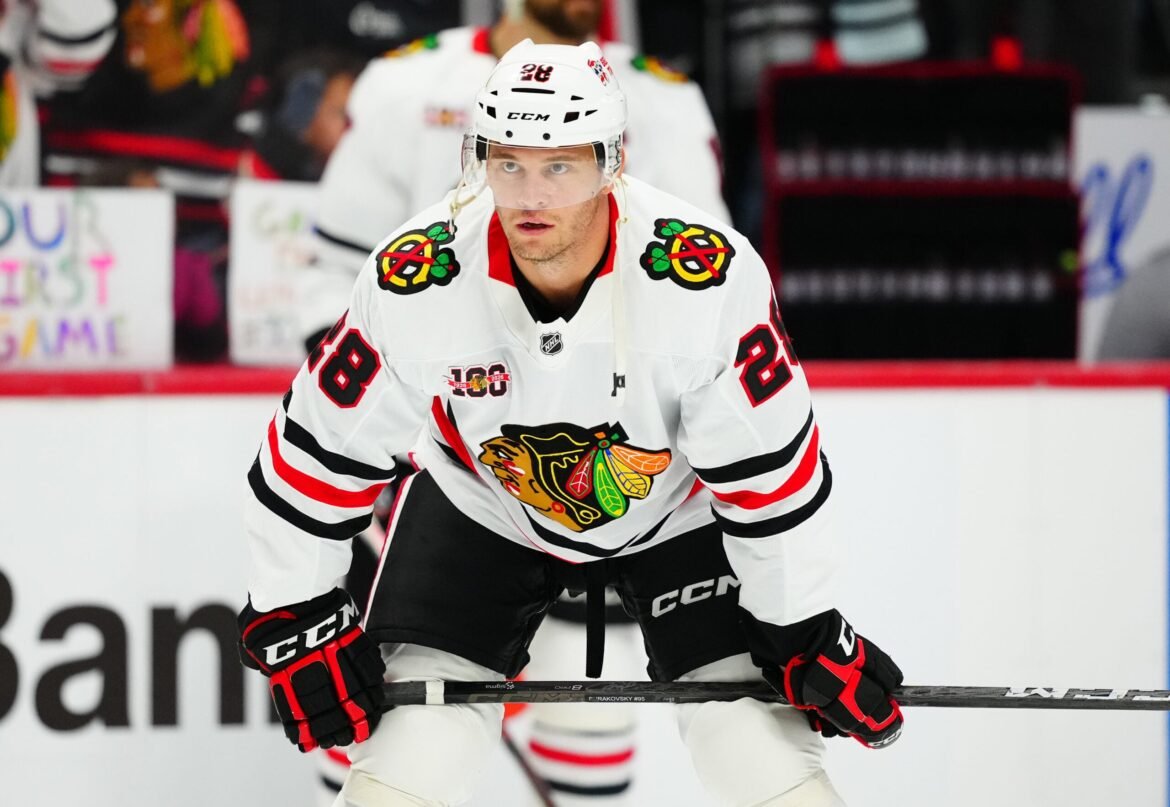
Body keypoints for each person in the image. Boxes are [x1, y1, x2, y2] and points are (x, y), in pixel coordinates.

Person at [238, 41, 903, 807]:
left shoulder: (707, 278)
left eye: (560, 165)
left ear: (613, 162)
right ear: (477, 160)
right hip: (482, 503)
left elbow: (773, 474)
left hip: (678, 512)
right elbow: (313, 456)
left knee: (760, 758)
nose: (532, 196)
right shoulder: (414, 276)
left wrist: (801, 627)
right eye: (509, 162)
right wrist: (297, 610)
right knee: (407, 766)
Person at [296, 3, 731, 801]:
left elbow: (713, 322)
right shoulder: (404, 84)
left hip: (603, 473)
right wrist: (403, 453)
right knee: (384, 720)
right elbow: (333, 284)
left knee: (588, 720)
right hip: (437, 473)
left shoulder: (663, 100)